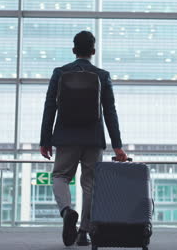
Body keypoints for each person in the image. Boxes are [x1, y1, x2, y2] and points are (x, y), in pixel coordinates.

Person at [40, 31, 128, 246]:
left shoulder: (60, 73)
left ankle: (67, 211)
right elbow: (110, 112)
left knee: (60, 176)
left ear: (73, 50)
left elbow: (50, 106)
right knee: (90, 184)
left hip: (66, 135)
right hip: (92, 137)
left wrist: (45, 140)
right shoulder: (102, 75)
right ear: (93, 51)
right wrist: (117, 146)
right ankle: (83, 233)